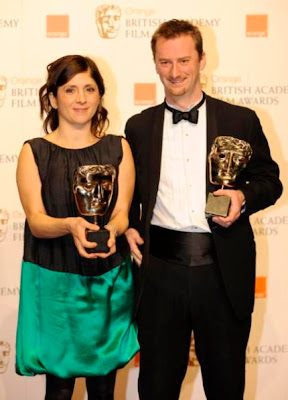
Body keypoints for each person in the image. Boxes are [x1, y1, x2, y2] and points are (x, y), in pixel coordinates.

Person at [125, 19, 282, 400]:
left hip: (222, 271)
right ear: (155, 63)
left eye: (183, 61)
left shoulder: (239, 119)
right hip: (160, 273)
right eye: (165, 62)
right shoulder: (138, 127)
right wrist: (127, 227)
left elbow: (270, 181)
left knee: (226, 387)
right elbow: (128, 196)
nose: (175, 72)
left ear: (201, 60)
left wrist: (242, 198)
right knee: (157, 388)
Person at [15, 54, 139, 400]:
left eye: (89, 88)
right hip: (54, 281)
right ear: (53, 98)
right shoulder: (33, 152)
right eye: (70, 90)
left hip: (108, 278)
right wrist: (71, 225)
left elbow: (122, 214)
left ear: (100, 95)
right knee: (59, 388)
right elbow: (37, 222)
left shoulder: (119, 148)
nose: (81, 98)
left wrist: (112, 232)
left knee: (104, 388)